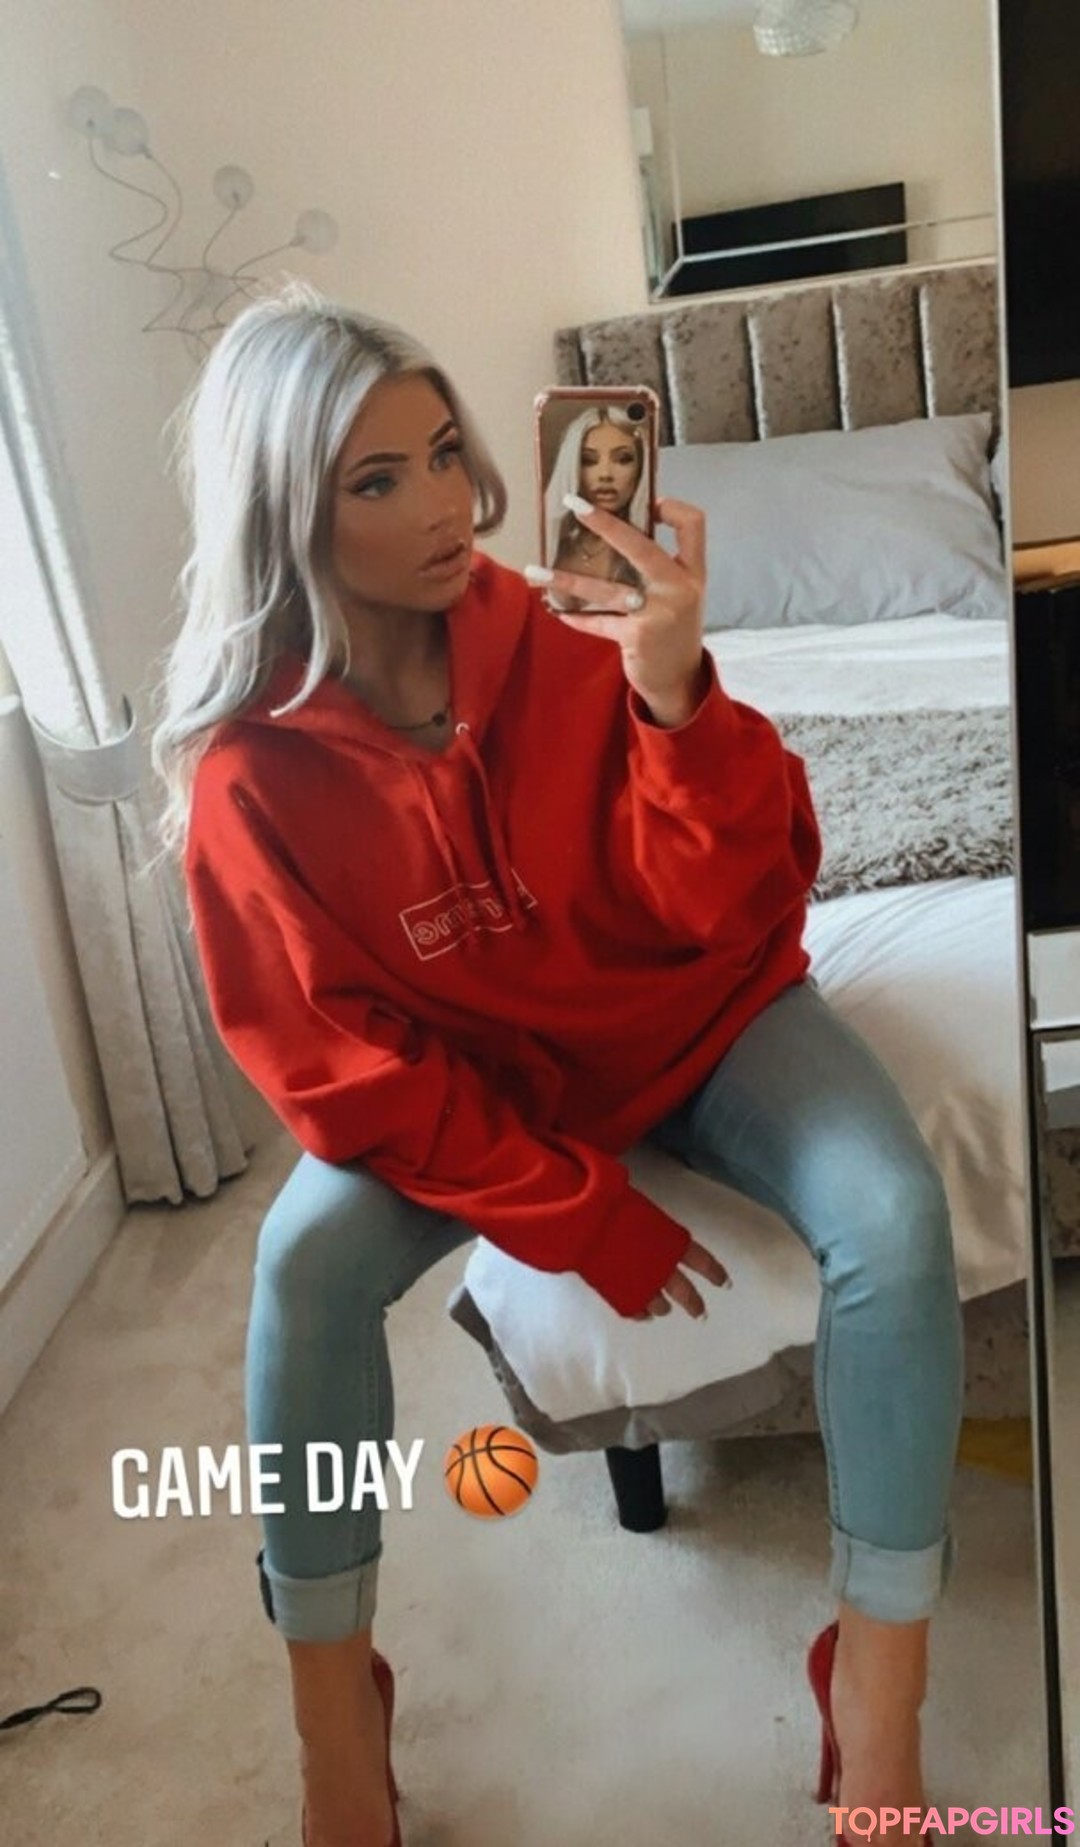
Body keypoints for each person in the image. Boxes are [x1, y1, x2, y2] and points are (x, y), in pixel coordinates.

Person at [150, 284, 960, 1847]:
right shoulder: (252, 773)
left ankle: (879, 1693)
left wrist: (674, 692)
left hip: (699, 1018)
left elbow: (734, 892)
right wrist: (571, 1209)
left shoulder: (567, 632)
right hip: (483, 1080)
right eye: (377, 479)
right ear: (286, 516)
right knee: (300, 1261)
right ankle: (336, 1726)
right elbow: (336, 1062)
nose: (443, 506)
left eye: (446, 454)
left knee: (894, 1213)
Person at [544, 403, 649, 590]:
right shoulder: (553, 548)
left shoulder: (652, 553)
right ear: (572, 467)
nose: (605, 474)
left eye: (623, 459)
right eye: (589, 460)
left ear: (641, 468)